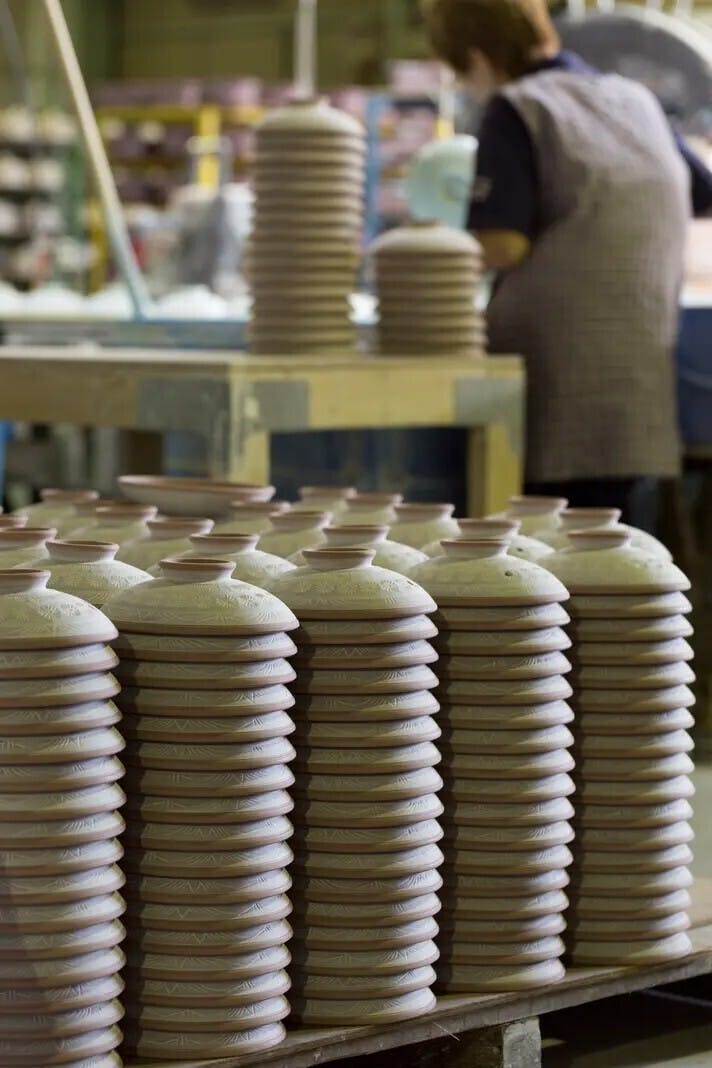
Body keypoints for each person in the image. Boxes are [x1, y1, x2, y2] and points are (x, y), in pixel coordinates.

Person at [422, 0, 712, 517]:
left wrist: (429, 254)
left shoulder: (518, 107)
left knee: (541, 540)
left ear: (478, 57)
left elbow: (503, 245)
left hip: (557, 385)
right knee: (609, 534)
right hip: (638, 381)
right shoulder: (635, 99)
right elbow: (701, 193)